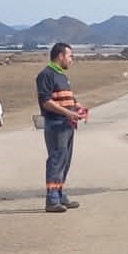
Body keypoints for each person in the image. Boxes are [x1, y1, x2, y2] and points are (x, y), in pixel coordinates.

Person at [36, 42, 88, 213]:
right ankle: (51, 200)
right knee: (56, 161)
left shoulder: (62, 76)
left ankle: (60, 194)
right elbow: (47, 101)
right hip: (56, 124)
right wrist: (67, 113)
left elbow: (67, 98)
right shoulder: (46, 75)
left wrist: (78, 107)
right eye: (70, 56)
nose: (72, 60)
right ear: (60, 56)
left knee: (65, 162)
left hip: (67, 124)